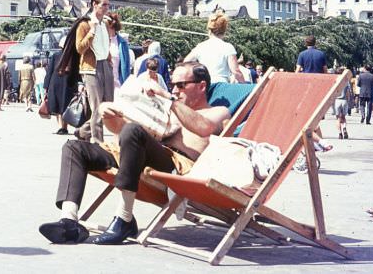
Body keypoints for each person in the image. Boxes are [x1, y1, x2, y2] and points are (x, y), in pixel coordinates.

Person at [38, 62, 230, 245]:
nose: (174, 90)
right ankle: (69, 221)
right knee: (75, 148)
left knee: (133, 131)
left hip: (177, 168)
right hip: (140, 156)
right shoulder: (167, 109)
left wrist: (168, 99)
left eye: (181, 85)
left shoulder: (218, 112)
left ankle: (124, 217)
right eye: (172, 85)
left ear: (202, 86)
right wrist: (109, 116)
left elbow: (203, 128)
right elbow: (122, 132)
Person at [75, 0, 115, 144]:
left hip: (105, 64)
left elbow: (105, 45)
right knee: (97, 106)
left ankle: (83, 131)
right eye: (104, 5)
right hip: (91, 68)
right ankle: (98, 142)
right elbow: (79, 48)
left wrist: (109, 60)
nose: (107, 8)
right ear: (94, 5)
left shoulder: (104, 24)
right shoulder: (84, 24)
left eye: (108, 5)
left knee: (108, 106)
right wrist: (91, 31)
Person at [184, 11, 244, 83]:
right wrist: (245, 85)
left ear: (209, 30)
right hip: (221, 84)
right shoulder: (228, 47)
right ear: (225, 30)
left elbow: (186, 62)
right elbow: (236, 71)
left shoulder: (201, 46)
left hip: (205, 85)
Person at [45, 49, 73, 134]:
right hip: (68, 82)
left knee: (57, 105)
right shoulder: (72, 56)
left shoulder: (55, 55)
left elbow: (49, 71)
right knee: (66, 105)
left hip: (56, 82)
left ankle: (61, 127)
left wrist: (46, 85)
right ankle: (64, 127)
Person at [105, 12, 133, 90]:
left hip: (117, 83)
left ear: (112, 25)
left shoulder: (122, 43)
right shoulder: (100, 40)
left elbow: (126, 66)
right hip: (102, 82)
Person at [334, 69, 351, 140]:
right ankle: (344, 128)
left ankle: (340, 133)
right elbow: (348, 92)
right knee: (343, 117)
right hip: (344, 100)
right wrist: (348, 100)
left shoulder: (335, 81)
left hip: (337, 100)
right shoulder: (346, 81)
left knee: (338, 118)